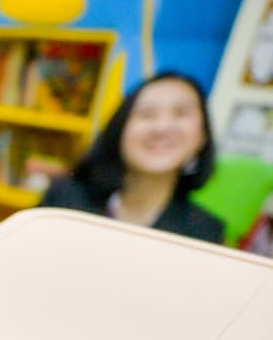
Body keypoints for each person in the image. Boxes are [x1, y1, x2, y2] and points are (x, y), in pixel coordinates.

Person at [40, 70, 224, 245]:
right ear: (119, 129)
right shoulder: (63, 202)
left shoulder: (205, 233)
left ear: (202, 136)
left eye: (181, 113)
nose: (161, 127)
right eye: (146, 113)